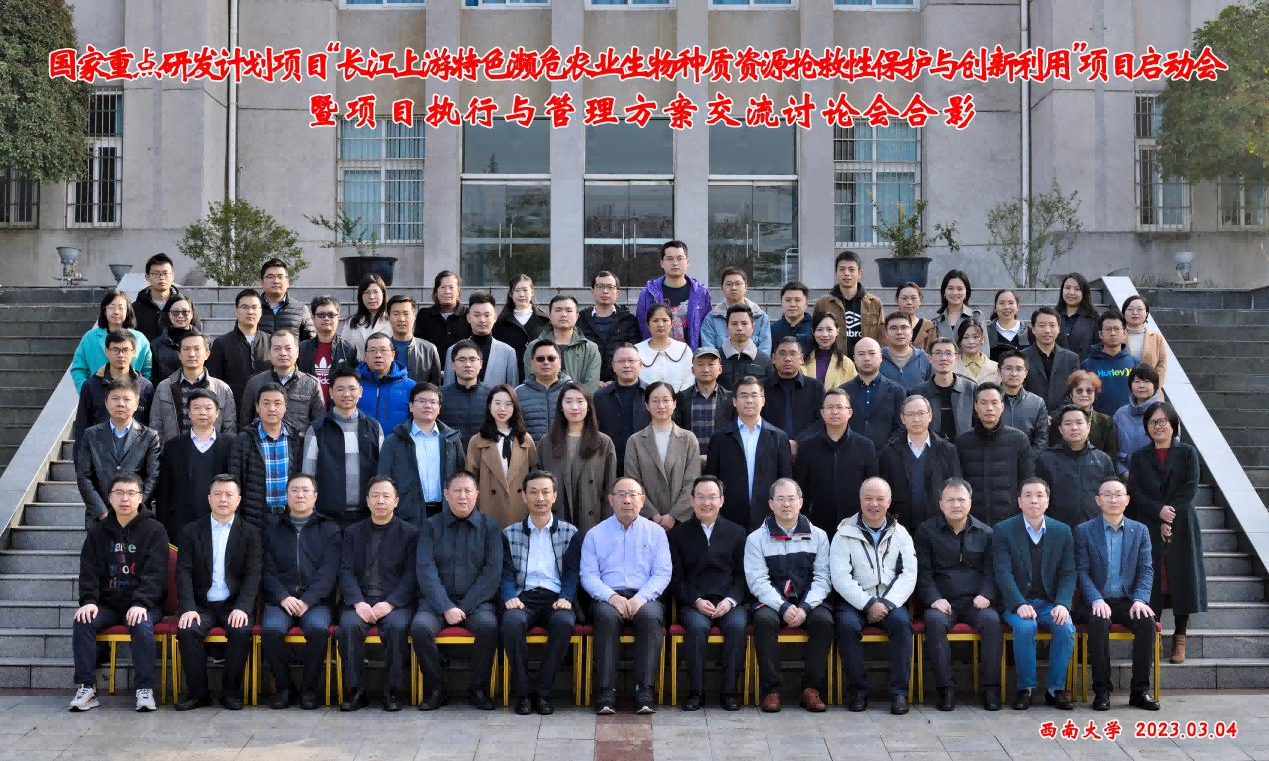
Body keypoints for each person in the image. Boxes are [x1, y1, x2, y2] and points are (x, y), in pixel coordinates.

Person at [67, 474, 168, 713]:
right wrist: (89, 601)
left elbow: (156, 573)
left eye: (131, 493)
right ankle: (87, 687)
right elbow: (89, 570)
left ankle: (144, 689)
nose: (125, 498)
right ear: (110, 498)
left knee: (141, 623)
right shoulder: (98, 531)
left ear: (141, 497)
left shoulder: (155, 530)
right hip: (109, 604)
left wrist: (142, 603)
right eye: (119, 493)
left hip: (145, 604)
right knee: (83, 620)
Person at [411, 470, 503, 711]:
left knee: (488, 626)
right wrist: (445, 606)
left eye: (467, 491)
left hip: (477, 603)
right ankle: (436, 689)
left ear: (477, 494)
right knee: (420, 628)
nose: (462, 496)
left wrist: (463, 607)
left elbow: (492, 573)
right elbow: (425, 570)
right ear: (446, 494)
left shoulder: (490, 527)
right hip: (436, 603)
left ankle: (478, 690)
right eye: (457, 491)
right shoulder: (430, 526)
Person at [581, 477, 673, 714]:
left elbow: (662, 573)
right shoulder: (595, 534)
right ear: (611, 500)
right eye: (621, 494)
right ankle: (606, 690)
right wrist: (612, 597)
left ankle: (645, 689)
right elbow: (588, 575)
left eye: (633, 495)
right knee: (605, 617)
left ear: (642, 500)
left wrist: (641, 598)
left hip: (645, 597)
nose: (627, 500)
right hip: (608, 597)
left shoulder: (656, 533)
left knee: (650, 617)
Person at [1126, 401, 1206, 665]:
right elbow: (1135, 491)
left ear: (1173, 424)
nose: (1157, 426)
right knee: (1153, 578)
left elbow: (1190, 486)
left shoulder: (1187, 453)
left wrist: (1170, 514)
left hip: (1182, 522)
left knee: (1182, 578)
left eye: (1162, 421)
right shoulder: (1139, 457)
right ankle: (1154, 633)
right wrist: (1157, 512)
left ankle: (1180, 636)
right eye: (1152, 422)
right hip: (1148, 522)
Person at [745, 478, 834, 713]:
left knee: (824, 621)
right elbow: (757, 581)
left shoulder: (819, 536)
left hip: (808, 601)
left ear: (801, 502)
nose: (786, 504)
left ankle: (810, 689)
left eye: (791, 499)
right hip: (771, 602)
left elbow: (823, 578)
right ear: (771, 504)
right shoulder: (756, 539)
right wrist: (783, 607)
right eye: (781, 499)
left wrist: (805, 607)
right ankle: (772, 690)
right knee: (764, 621)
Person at [174, 474, 261, 712]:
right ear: (209, 499)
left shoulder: (250, 533)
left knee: (241, 630)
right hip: (201, 605)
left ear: (238, 500)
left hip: (233, 604)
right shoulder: (191, 531)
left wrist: (243, 607)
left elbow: (253, 575)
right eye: (218, 494)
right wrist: (188, 607)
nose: (223, 499)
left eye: (229, 495)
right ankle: (198, 693)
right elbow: (183, 572)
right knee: (188, 630)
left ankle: (230, 692)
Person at [831, 477, 917, 716]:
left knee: (902, 625)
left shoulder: (901, 534)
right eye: (868, 498)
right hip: (855, 601)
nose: (874, 504)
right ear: (860, 500)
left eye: (880, 499)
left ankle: (899, 693)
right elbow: (840, 576)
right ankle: (857, 691)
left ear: (889, 502)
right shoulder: (844, 533)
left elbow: (909, 574)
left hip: (891, 601)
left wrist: (886, 603)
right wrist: (869, 604)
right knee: (846, 626)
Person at [915, 478, 1002, 712]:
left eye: (961, 500)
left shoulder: (986, 533)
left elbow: (993, 571)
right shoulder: (926, 532)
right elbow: (923, 572)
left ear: (970, 502)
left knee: (992, 621)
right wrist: (934, 598)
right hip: (942, 602)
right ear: (940, 503)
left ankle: (991, 689)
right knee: (933, 622)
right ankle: (946, 690)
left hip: (976, 602)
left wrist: (987, 594)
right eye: (950, 500)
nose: (956, 505)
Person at [499, 470, 581, 716]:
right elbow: (504, 572)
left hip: (556, 598)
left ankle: (543, 693)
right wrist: (509, 596)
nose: (540, 498)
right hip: (523, 597)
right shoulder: (510, 533)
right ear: (524, 496)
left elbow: (573, 572)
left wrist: (566, 597)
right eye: (533, 492)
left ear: (554, 496)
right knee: (511, 623)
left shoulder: (569, 532)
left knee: (564, 623)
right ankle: (523, 694)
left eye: (546, 492)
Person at [1077, 475, 1160, 711]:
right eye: (1107, 495)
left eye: (1118, 495)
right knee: (1098, 622)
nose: (1113, 499)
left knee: (1146, 622)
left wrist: (1140, 599)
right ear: (1098, 500)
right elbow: (1081, 571)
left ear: (1127, 500)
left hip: (1127, 600)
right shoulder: (1084, 531)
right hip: (1096, 600)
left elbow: (1146, 569)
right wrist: (1095, 599)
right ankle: (1102, 691)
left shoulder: (1140, 531)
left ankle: (1139, 691)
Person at [993, 478, 1077, 711]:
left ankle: (1056, 690)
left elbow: (1069, 572)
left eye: (1039, 495)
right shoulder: (1003, 530)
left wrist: (1063, 604)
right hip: (1017, 602)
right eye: (1028, 495)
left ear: (1048, 501)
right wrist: (1018, 603)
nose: (1034, 500)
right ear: (1019, 501)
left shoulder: (1062, 531)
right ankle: (1026, 688)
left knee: (1065, 627)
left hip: (1050, 603)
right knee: (1025, 627)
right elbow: (1002, 572)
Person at [337, 475, 418, 713]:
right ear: (367, 500)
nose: (380, 501)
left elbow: (412, 575)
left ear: (396, 501)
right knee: (349, 626)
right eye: (375, 496)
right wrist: (357, 602)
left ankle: (392, 692)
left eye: (386, 496)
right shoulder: (352, 532)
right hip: (360, 601)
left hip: (395, 603)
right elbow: (345, 570)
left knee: (396, 627)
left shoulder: (410, 533)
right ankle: (355, 692)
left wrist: (391, 603)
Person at [260, 473, 340, 709]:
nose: (300, 495)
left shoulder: (330, 529)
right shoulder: (271, 529)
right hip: (280, 599)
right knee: (271, 630)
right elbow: (265, 570)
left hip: (316, 601)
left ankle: (309, 690)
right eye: (294, 490)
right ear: (286, 496)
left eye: (305, 490)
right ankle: (284, 688)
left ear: (315, 496)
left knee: (317, 629)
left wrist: (307, 600)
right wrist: (282, 596)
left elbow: (329, 572)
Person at [667, 476, 748, 712]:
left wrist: (730, 601)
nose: (706, 503)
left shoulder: (737, 533)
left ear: (721, 500)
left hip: (728, 602)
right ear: (691, 500)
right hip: (694, 602)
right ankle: (696, 692)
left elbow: (743, 576)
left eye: (712, 497)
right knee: (696, 628)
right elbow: (675, 578)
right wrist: (696, 600)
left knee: (737, 627)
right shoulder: (678, 535)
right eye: (701, 497)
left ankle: (729, 692)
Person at [705, 376, 793, 531]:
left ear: (763, 400)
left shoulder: (779, 437)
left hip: (768, 519)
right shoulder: (720, 438)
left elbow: (785, 481)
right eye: (744, 396)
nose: (749, 400)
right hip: (729, 518)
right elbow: (712, 480)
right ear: (734, 401)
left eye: (754, 395)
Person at [303, 366, 384, 529]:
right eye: (340, 389)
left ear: (360, 391)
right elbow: (307, 475)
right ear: (331, 393)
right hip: (327, 516)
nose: (347, 394)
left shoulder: (373, 428)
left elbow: (383, 471)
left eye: (352, 389)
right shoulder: (318, 428)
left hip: (367, 516)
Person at [75, 379, 161, 528]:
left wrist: (134, 507)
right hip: (100, 518)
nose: (121, 404)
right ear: (106, 403)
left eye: (127, 399)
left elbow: (153, 476)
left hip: (137, 516)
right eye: (115, 398)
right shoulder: (90, 435)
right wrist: (102, 512)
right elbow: (84, 476)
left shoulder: (150, 437)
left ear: (137, 404)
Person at [533, 383, 618, 534]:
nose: (574, 407)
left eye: (580, 401)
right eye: (568, 401)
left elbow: (610, 488)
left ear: (588, 406)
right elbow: (537, 484)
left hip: (592, 520)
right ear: (561, 407)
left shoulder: (603, 443)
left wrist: (607, 525)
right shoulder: (546, 443)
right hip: (555, 518)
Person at [793, 389, 879, 536]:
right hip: (817, 527)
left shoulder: (865, 446)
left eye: (839, 407)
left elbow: (872, 486)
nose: (834, 412)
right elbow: (800, 489)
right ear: (822, 413)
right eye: (830, 407)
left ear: (850, 412)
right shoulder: (807, 447)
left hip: (856, 526)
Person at [377, 382, 465, 524]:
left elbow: (461, 476)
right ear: (411, 406)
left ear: (439, 408)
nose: (427, 406)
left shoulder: (452, 439)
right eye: (421, 401)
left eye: (433, 402)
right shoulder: (394, 441)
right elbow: (383, 480)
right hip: (406, 517)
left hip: (446, 515)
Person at [155, 389, 235, 543]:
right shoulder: (173, 446)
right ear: (189, 413)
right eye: (197, 408)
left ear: (217, 413)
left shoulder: (230, 446)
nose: (202, 412)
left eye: (208, 408)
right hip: (180, 525)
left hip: (219, 523)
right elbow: (164, 491)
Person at [955, 383, 1035, 527]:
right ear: (975, 406)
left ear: (1002, 406)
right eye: (983, 403)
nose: (989, 408)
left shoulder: (1019, 440)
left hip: (1009, 522)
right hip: (972, 523)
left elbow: (1027, 482)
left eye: (994, 402)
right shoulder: (962, 442)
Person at [880, 395, 962, 531]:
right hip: (900, 527)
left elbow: (956, 487)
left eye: (921, 413)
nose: (916, 419)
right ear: (903, 418)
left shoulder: (947, 450)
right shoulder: (890, 452)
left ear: (930, 415)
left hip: (939, 527)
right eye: (910, 414)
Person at [625, 382, 701, 529]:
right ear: (647, 405)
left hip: (681, 522)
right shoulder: (635, 441)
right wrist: (652, 514)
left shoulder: (688, 439)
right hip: (646, 522)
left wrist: (673, 516)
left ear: (674, 404)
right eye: (655, 401)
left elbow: (692, 481)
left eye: (666, 400)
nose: (661, 405)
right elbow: (633, 482)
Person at [229, 384, 303, 529]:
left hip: (289, 518)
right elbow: (234, 482)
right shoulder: (244, 440)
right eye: (266, 403)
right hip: (254, 520)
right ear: (257, 407)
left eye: (277, 403)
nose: (272, 408)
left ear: (285, 406)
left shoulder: (296, 439)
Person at [466, 385, 537, 529]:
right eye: (497, 403)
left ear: (515, 408)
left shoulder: (525, 439)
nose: (502, 409)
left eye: (508, 404)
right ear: (489, 406)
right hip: (488, 509)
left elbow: (535, 475)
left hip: (520, 509)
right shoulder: (477, 441)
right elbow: (470, 479)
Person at [150, 329, 236, 443]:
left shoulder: (222, 389)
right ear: (179, 355)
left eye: (197, 349)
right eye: (186, 349)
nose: (191, 354)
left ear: (207, 354)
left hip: (212, 452)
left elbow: (229, 429)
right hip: (174, 452)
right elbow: (156, 427)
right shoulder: (164, 387)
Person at [1037, 405, 1117, 527]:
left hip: (1095, 528)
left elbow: (1111, 495)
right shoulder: (1046, 459)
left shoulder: (1103, 459)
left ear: (1088, 427)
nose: (1074, 428)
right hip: (1058, 528)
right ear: (1060, 429)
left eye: (1079, 423)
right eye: (1068, 423)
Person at [73, 329, 154, 442]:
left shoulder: (145, 387)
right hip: (99, 448)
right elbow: (81, 427)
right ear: (106, 351)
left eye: (125, 350)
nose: (121, 355)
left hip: (137, 449)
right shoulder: (91, 386)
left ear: (134, 351)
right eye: (115, 350)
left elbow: (150, 427)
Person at [238, 330, 324, 434]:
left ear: (297, 352)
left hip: (300, 443)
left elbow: (319, 426)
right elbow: (245, 425)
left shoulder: (311, 384)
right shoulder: (255, 383)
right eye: (277, 349)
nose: (283, 353)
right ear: (269, 353)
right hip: (262, 443)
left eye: (288, 348)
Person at [70, 289, 153, 391]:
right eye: (111, 307)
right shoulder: (90, 338)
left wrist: (139, 393)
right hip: (98, 395)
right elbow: (78, 369)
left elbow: (148, 371)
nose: (116, 312)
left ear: (127, 311)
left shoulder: (140, 339)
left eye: (121, 308)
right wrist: (87, 392)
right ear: (104, 311)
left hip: (130, 395)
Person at [635, 240, 712, 350]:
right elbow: (642, 328)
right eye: (670, 259)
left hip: (691, 356)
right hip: (656, 355)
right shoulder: (648, 294)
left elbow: (706, 330)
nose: (675, 263)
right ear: (662, 263)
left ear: (687, 262)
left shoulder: (701, 294)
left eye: (679, 258)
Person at [523, 295, 601, 393]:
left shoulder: (590, 349)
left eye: (569, 310)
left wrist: (570, 400)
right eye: (558, 310)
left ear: (577, 316)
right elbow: (531, 383)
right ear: (550, 315)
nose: (563, 314)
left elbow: (591, 386)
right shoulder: (534, 347)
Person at [578, 270, 643, 386]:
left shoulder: (629, 320)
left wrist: (616, 381)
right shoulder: (580, 320)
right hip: (587, 385)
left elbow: (633, 354)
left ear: (617, 292)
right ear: (592, 291)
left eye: (610, 287)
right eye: (600, 286)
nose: (605, 291)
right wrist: (592, 381)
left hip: (621, 384)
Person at [841, 337, 904, 455]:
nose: (866, 358)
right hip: (850, 456)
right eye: (861, 354)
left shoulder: (897, 391)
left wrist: (886, 451)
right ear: (854, 358)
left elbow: (901, 427)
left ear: (881, 357)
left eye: (872, 353)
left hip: (887, 457)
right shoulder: (843, 392)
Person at [812, 250, 883, 356]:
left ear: (859, 273)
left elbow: (882, 336)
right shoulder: (823, 303)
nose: (846, 273)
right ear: (836, 273)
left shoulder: (874, 303)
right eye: (842, 269)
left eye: (851, 269)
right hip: (833, 361)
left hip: (865, 361)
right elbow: (815, 334)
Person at [208, 288, 272, 404]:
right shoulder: (221, 344)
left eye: (254, 307)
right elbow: (215, 383)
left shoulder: (271, 342)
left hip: (267, 408)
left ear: (261, 311)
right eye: (244, 307)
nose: (250, 312)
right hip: (233, 408)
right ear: (236, 311)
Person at [673, 346, 735, 466]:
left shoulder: (730, 399)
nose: (705, 369)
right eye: (700, 364)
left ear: (720, 369)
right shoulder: (681, 398)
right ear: (692, 370)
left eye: (711, 364)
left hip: (722, 462)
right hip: (688, 462)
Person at [594, 344, 650, 474]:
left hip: (645, 464)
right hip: (609, 464)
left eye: (631, 360)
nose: (626, 365)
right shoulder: (600, 397)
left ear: (640, 364)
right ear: (613, 366)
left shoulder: (651, 394)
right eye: (621, 361)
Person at [444, 292, 518, 388]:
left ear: (495, 318)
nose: (482, 320)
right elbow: (448, 389)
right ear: (468, 318)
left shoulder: (508, 352)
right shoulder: (453, 350)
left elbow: (512, 390)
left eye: (487, 315)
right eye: (477, 315)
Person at [763, 337, 825, 442]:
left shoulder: (816, 387)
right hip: (771, 445)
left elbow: (821, 421)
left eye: (793, 354)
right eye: (782, 354)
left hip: (808, 446)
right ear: (773, 358)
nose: (788, 358)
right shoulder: (762, 388)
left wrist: (799, 442)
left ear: (801, 358)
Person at [911, 337, 975, 439]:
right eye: (938, 353)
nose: (943, 358)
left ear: (956, 358)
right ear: (930, 358)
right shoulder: (918, 393)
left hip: (966, 447)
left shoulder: (971, 389)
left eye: (948, 353)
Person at [298, 295, 357, 405]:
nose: (326, 318)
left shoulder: (349, 349)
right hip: (307, 408)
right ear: (313, 318)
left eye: (331, 315)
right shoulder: (301, 349)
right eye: (321, 315)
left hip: (338, 409)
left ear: (338, 318)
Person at [699, 267, 772, 354]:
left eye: (738, 284)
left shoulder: (761, 317)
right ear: (722, 287)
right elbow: (709, 351)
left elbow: (765, 350)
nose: (733, 288)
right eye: (729, 284)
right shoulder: (711, 319)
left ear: (746, 287)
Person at [1048, 370, 1118, 460]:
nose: (1084, 394)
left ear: (1095, 395)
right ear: (1071, 394)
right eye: (1079, 391)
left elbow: (1111, 456)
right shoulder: (1057, 420)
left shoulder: (1106, 421)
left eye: (1089, 391)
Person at [1023, 306, 1081, 412]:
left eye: (1052, 325)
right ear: (1033, 329)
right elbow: (1020, 389)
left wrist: (1056, 415)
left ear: (1058, 329)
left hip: (1063, 416)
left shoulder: (1071, 358)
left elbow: (1073, 391)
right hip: (1030, 415)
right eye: (1042, 325)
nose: (1047, 330)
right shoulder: (1021, 357)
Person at [356, 333, 416, 432]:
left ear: (393, 355)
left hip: (397, 441)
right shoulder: (353, 385)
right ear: (365, 356)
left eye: (383, 350)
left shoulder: (411, 387)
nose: (378, 355)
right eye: (372, 350)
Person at [133, 252, 201, 340]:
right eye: (156, 274)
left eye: (165, 273)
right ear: (147, 277)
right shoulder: (136, 307)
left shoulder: (185, 305)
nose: (161, 278)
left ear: (172, 276)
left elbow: (198, 335)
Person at [1113, 364, 1164, 476]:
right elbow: (1112, 448)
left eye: (1146, 381)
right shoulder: (1120, 414)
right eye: (1137, 381)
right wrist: (1123, 472)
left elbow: (1172, 449)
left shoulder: (1165, 412)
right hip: (1125, 477)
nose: (1141, 386)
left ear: (1155, 385)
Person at [1082, 311, 1137, 415]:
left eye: (1116, 329)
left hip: (1129, 420)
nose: (1113, 333)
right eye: (1108, 329)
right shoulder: (1087, 365)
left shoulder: (1135, 363)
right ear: (1100, 334)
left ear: (1124, 333)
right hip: (1098, 421)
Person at [515, 340, 571, 440]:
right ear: (532, 363)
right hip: (531, 449)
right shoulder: (517, 393)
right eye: (540, 359)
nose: (546, 362)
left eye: (551, 358)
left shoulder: (573, 390)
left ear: (560, 362)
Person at [439, 339, 491, 445]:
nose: (467, 364)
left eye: (472, 359)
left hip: (483, 453)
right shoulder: (439, 395)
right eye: (461, 360)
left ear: (481, 363)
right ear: (452, 364)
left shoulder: (492, 396)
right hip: (450, 453)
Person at [997, 350, 1050, 455]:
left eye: (1019, 369)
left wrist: (1027, 460)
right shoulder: (988, 400)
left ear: (1025, 373)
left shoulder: (1037, 403)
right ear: (999, 372)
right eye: (1008, 368)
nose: (1014, 373)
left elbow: (1042, 441)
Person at [493, 273, 550, 371]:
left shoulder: (544, 321)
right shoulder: (500, 323)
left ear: (532, 292)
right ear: (511, 294)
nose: (521, 294)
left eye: (525, 290)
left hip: (539, 374)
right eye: (517, 290)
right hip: (509, 373)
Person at [414, 270, 471, 363]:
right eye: (443, 287)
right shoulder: (424, 315)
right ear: (436, 291)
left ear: (458, 291)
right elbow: (419, 346)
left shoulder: (468, 315)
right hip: (431, 368)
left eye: (451, 287)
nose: (447, 292)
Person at [385, 295, 443, 386]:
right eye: (396, 314)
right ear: (388, 317)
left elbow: (435, 386)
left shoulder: (429, 349)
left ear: (414, 317)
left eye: (406, 314)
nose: (401, 319)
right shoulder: (381, 349)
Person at [635, 303, 693, 392]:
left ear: (672, 323)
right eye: (655, 321)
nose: (660, 324)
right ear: (647, 324)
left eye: (665, 320)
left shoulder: (684, 349)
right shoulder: (636, 350)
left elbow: (689, 379)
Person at [717, 304, 776, 391]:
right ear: (727, 327)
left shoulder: (764, 360)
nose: (739, 328)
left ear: (753, 327)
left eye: (744, 323)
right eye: (734, 324)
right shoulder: (716, 358)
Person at [257, 259, 315, 340]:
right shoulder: (252, 309)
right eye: (270, 277)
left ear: (288, 282)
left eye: (280, 277)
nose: (276, 281)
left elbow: (311, 340)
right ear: (262, 282)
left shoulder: (300, 309)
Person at [148, 294, 200, 383]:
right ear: (169, 314)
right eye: (175, 312)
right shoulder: (156, 345)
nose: (180, 316)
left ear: (192, 314)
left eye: (185, 312)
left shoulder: (204, 343)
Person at [339, 274, 390, 362]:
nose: (371, 297)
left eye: (375, 292)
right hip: (357, 369)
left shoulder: (391, 321)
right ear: (361, 296)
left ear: (383, 294)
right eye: (366, 292)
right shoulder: (351, 322)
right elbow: (343, 350)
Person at [800, 311, 857, 388]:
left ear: (837, 331)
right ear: (813, 331)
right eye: (820, 330)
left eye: (829, 329)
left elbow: (854, 390)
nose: (824, 334)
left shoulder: (847, 364)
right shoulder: (802, 361)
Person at [1120, 295, 1168, 386]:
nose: (1135, 313)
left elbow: (1162, 365)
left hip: (1150, 390)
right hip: (1122, 388)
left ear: (1146, 313)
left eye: (1139, 309)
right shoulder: (1116, 337)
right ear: (1123, 313)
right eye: (1130, 309)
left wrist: (1155, 387)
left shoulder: (1156, 338)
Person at [880, 311, 933, 390]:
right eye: (893, 328)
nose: (899, 332)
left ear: (911, 332)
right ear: (886, 333)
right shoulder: (877, 359)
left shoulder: (926, 359)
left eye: (904, 327)